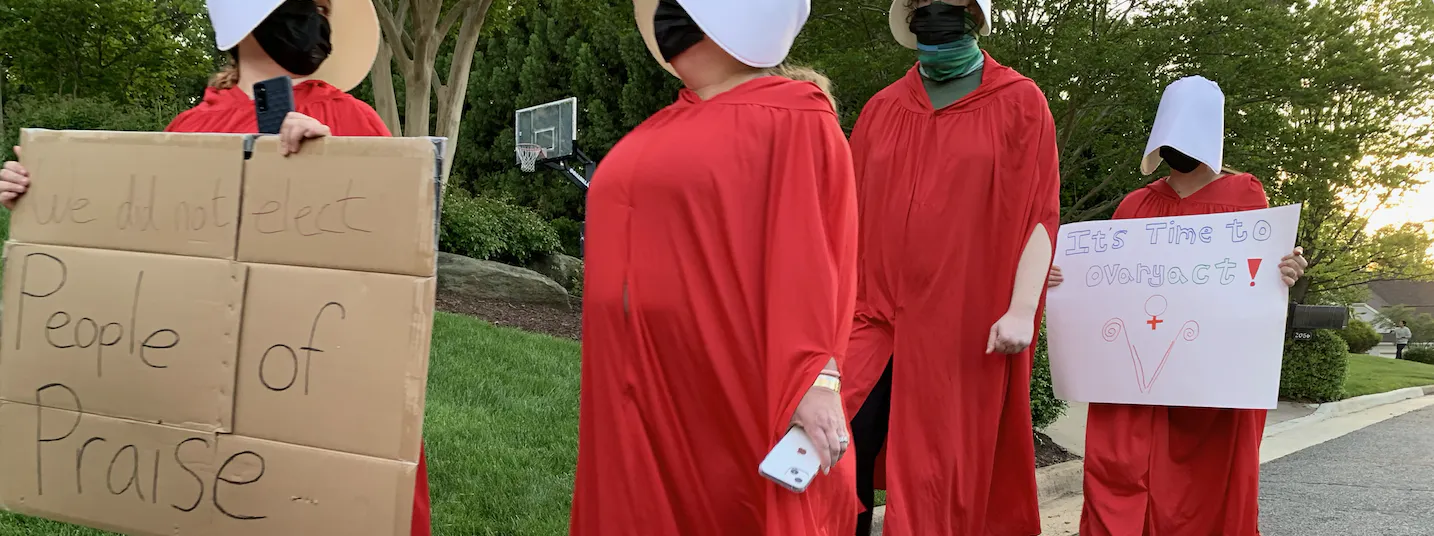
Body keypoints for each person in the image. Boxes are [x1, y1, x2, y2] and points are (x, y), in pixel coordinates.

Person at [0, 1, 433, 534]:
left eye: (323, 8)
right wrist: (40, 196)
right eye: (306, 5)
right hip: (206, 390)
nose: (317, 20)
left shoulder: (352, 120)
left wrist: (336, 170)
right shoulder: (190, 128)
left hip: (318, 375)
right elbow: (137, 256)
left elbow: (401, 257)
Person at [569, 0, 859, 534]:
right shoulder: (668, 122)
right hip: (633, 384)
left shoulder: (795, 117)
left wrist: (817, 379)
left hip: (723, 383)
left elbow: (814, 256)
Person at [1047, 75, 1308, 536]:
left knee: (1208, 482)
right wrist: (1063, 278)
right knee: (1121, 472)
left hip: (1211, 383)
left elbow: (1254, 276)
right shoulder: (1134, 205)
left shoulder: (1246, 197)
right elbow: (1109, 283)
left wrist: (1283, 271)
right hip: (1135, 381)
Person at [841, 1, 1060, 534]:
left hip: (964, 324)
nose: (932, 10)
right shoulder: (882, 109)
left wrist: (1021, 308)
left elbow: (1039, 215)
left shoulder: (1020, 102)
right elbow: (844, 213)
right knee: (839, 448)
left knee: (939, 475)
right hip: (872, 317)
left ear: (974, 14)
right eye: (920, 3)